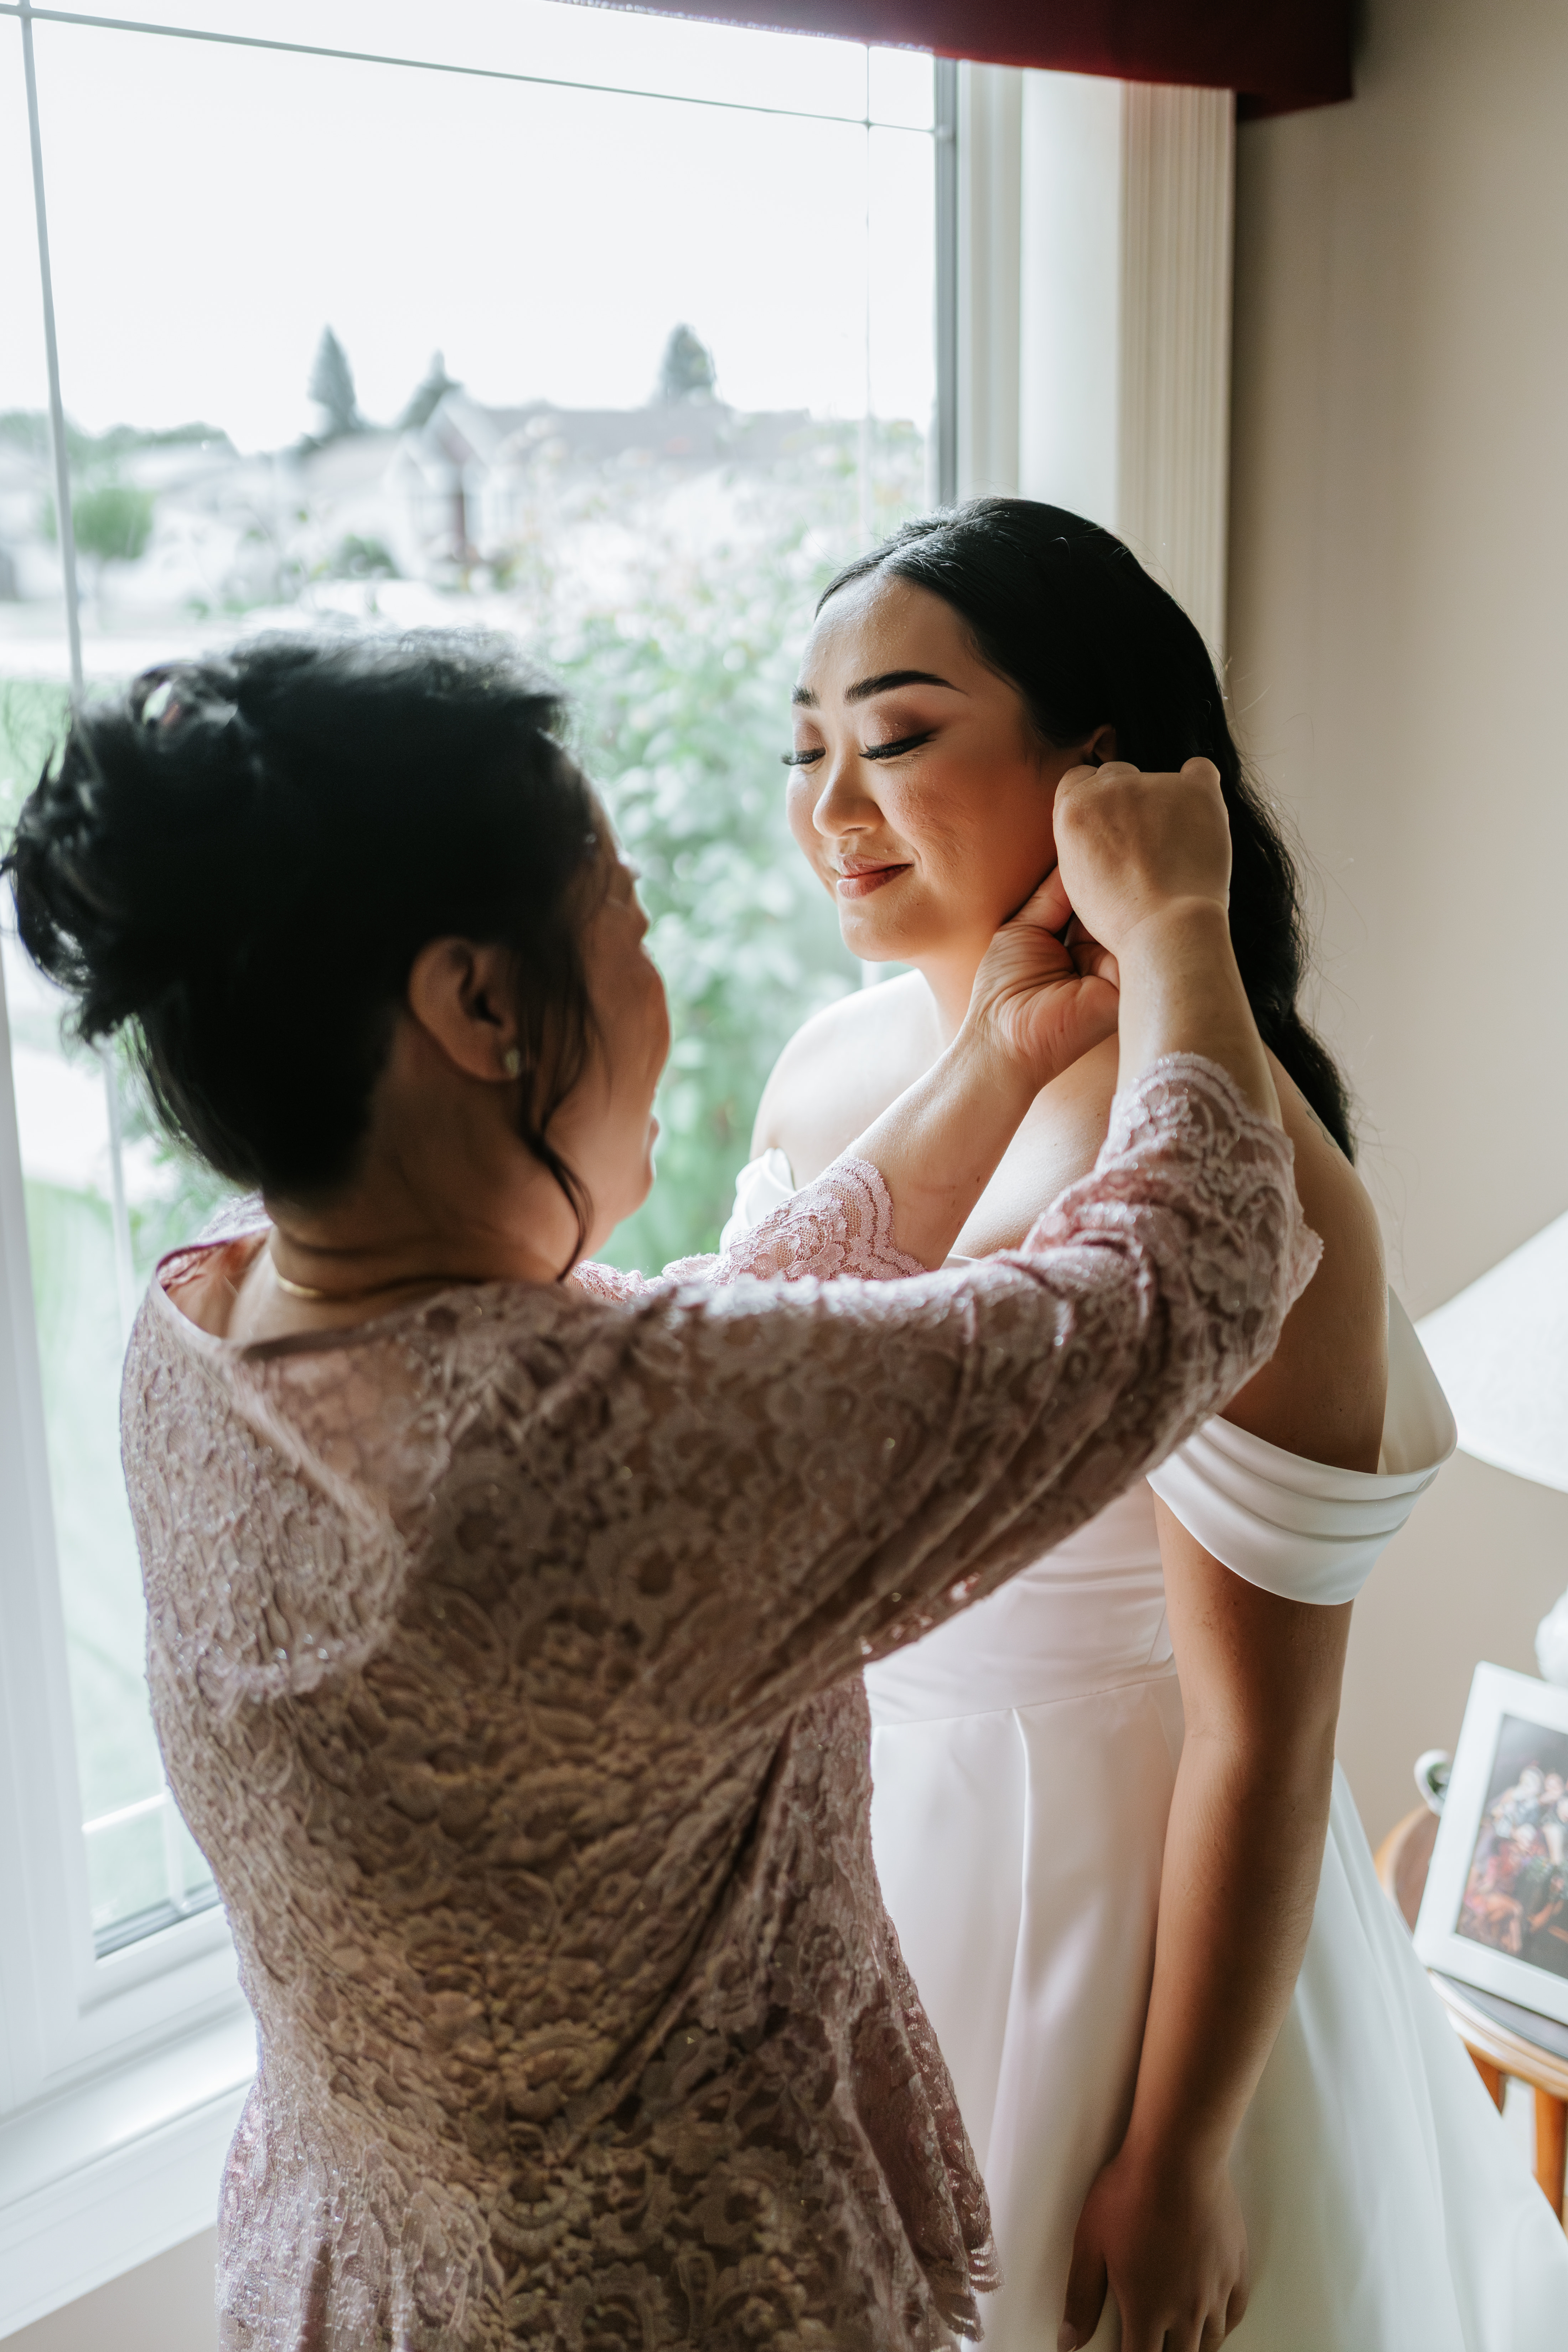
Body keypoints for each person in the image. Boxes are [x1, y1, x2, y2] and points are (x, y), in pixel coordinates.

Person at [3, 631, 1315, 2352]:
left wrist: (994, 1049)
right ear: (478, 1003)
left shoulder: (207, 1323)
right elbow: (1191, 1275)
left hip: (356, 2262)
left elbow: (699, 1351)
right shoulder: (579, 1464)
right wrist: (1179, 927)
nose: (656, 977)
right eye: (624, 922)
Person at [737, 500, 1568, 2350]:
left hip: (1104, 1913)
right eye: (803, 749)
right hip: (834, 1874)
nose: (829, 807)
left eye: (891, 736)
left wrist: (1179, 2146)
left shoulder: (1253, 1181)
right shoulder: (828, 1061)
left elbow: (1267, 1728)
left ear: (1100, 770)